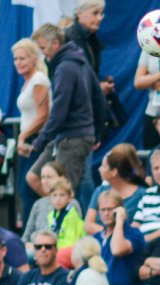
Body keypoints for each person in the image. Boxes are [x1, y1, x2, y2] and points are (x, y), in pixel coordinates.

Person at [26, 24, 105, 206]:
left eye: (43, 48)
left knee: (64, 192)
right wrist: (98, 131)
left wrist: (40, 141)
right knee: (33, 177)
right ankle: (55, 218)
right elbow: (98, 96)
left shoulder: (65, 68)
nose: (43, 54)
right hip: (72, 135)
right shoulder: (80, 61)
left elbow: (59, 111)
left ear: (55, 44)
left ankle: (72, 228)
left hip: (72, 137)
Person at [12, 38, 50, 226]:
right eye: (16, 59)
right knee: (24, 189)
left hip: (36, 139)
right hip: (28, 139)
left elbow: (43, 115)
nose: (18, 63)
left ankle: (37, 229)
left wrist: (23, 135)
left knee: (29, 187)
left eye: (22, 59)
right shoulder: (28, 82)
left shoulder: (39, 81)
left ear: (34, 59)